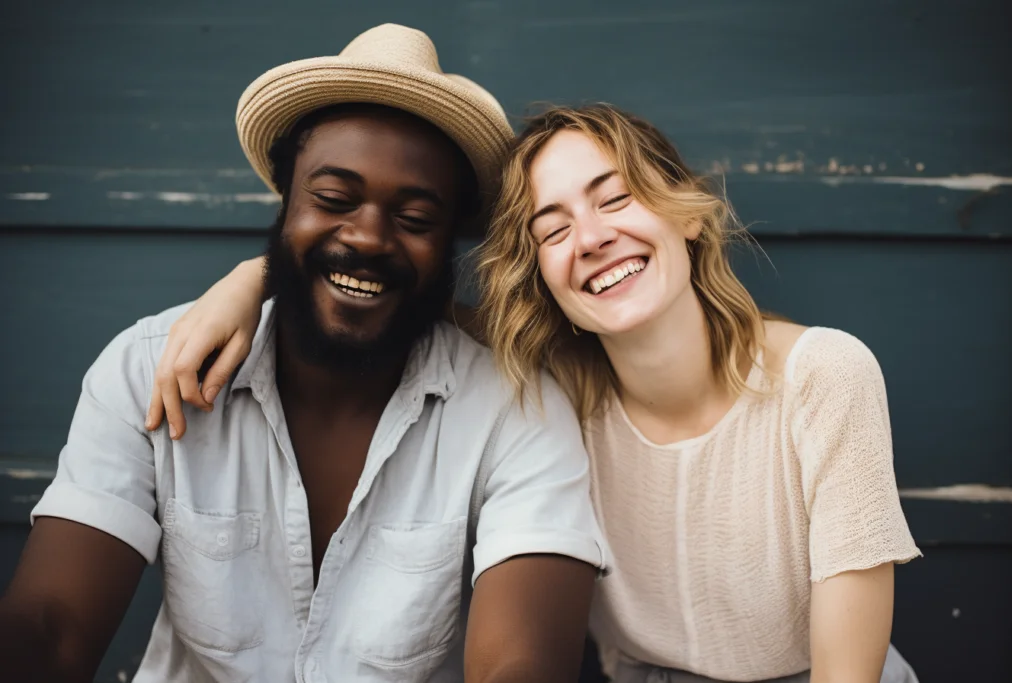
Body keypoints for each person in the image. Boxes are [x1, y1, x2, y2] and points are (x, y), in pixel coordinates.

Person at [144, 103, 923, 683]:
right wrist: (253, 281)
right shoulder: (559, 397)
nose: (590, 239)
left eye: (615, 199)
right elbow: (383, 289)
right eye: (553, 229)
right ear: (544, 279)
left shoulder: (823, 377)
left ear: (684, 215)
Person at [0, 25, 609, 683]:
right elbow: (52, 624)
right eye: (334, 199)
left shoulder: (513, 408)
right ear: (285, 200)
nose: (370, 238)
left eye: (414, 218)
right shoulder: (152, 366)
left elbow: (522, 661)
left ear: (449, 242)